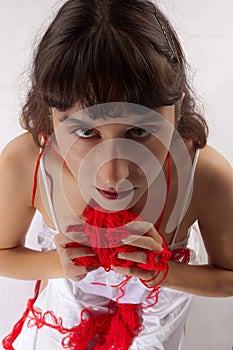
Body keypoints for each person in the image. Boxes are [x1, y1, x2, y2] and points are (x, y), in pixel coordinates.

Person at [0, 0, 232, 349]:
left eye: (140, 132)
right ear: (52, 113)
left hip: (157, 324)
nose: (114, 174)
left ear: (177, 108)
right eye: (85, 132)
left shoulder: (204, 175)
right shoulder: (28, 162)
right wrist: (59, 265)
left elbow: (229, 278)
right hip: (62, 327)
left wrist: (164, 272)